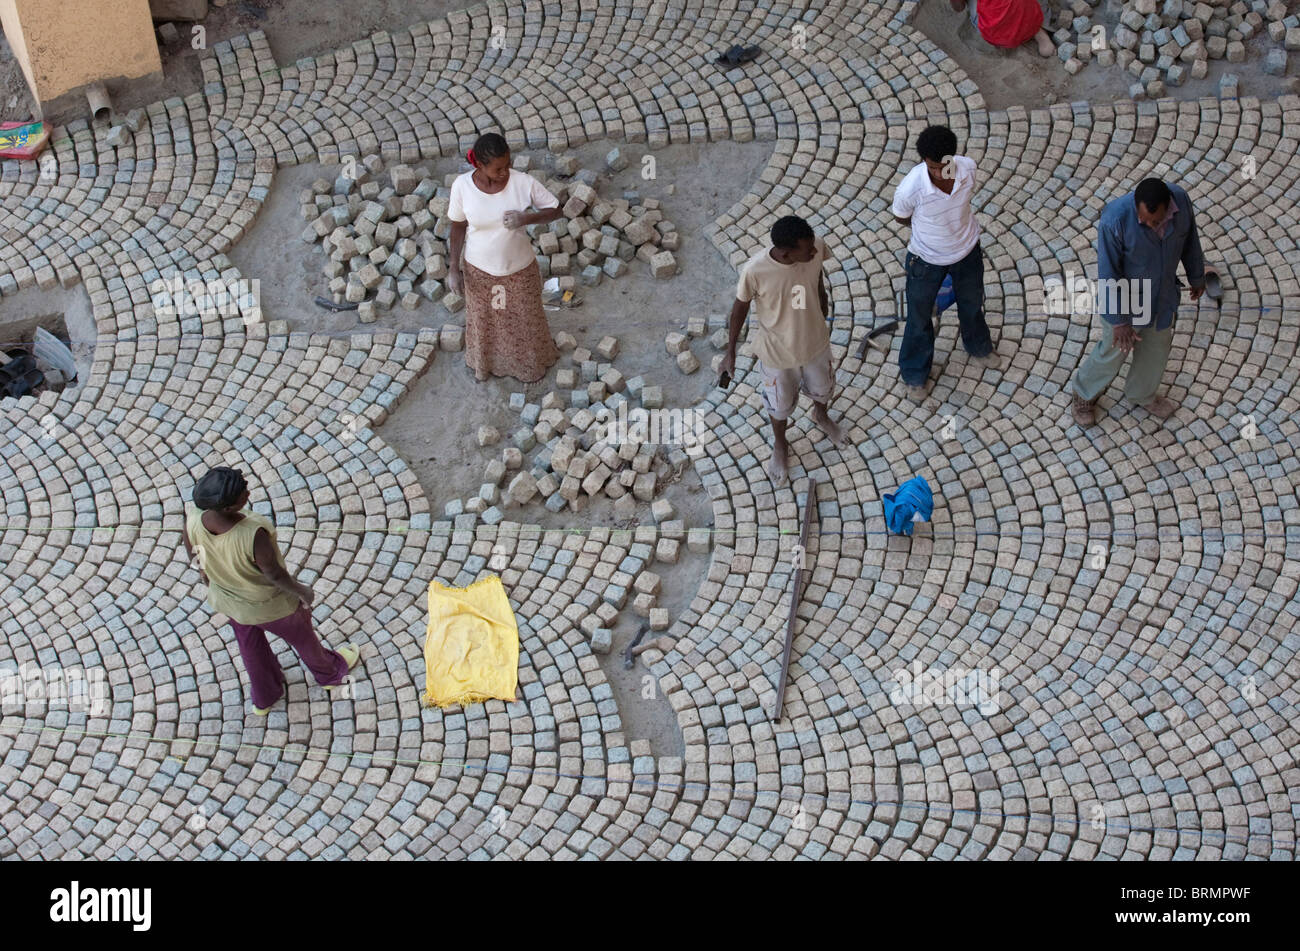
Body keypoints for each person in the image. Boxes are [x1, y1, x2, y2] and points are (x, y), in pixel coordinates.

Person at [181, 467, 358, 716]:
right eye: (243, 493)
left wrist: (206, 577)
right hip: (270, 606)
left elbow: (193, 552)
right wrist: (301, 591)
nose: (248, 492)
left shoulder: (193, 518)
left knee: (250, 646)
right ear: (229, 508)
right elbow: (273, 573)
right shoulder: (253, 533)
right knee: (304, 639)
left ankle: (264, 697)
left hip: (230, 602)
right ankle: (329, 673)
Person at [721, 215, 847, 486]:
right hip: (778, 355)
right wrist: (730, 352)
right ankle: (780, 445)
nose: (815, 251)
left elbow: (817, 281)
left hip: (816, 345)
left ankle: (820, 415)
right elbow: (739, 309)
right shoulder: (755, 271)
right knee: (779, 407)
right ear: (786, 252)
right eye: (808, 249)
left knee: (824, 389)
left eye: (813, 245)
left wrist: (822, 311)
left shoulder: (815, 250)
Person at [1071, 178, 1204, 425]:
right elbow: (1108, 273)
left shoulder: (1181, 202)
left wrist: (1197, 276)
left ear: (1167, 209)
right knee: (1113, 350)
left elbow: (1190, 240)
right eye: (1141, 218)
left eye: (1153, 221)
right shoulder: (1115, 219)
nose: (1144, 223)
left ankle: (1142, 393)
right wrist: (1119, 320)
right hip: (1126, 299)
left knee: (1156, 348)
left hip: (1162, 296)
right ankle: (1083, 393)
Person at [891, 125, 999, 402]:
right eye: (933, 168)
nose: (940, 173)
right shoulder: (911, 188)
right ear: (924, 162)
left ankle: (979, 347)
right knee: (919, 318)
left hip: (967, 251)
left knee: (972, 304)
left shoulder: (969, 169)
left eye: (944, 166)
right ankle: (915, 375)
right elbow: (902, 218)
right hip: (925, 260)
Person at [446, 132, 565, 383]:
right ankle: (487, 366)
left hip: (519, 269)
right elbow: (457, 227)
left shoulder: (523, 183)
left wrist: (527, 218)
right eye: (498, 168)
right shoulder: (462, 187)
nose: (505, 172)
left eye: (508, 164)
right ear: (479, 165)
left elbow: (556, 209)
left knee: (525, 321)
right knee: (486, 323)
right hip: (479, 270)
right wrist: (453, 269)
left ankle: (530, 368)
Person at [950, 0, 1055, 56]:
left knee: (973, 10)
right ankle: (1038, 32)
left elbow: (959, 8)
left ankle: (1001, 40)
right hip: (1026, 12)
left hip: (1002, 34)